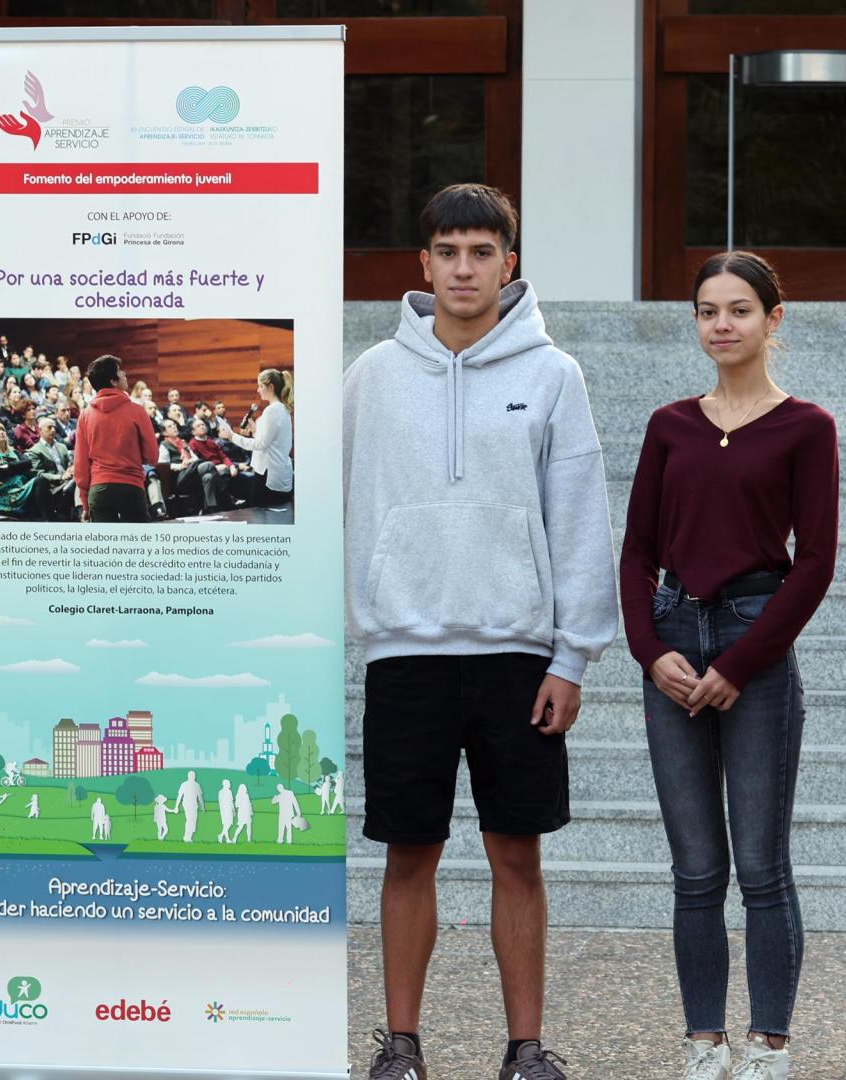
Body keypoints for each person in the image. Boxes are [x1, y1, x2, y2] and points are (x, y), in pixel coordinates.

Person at [344, 183, 618, 1080]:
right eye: (449, 252)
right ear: (422, 265)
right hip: (405, 653)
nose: (465, 268)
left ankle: (526, 1047)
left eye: (482, 252)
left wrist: (572, 655)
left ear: (511, 264)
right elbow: (339, 512)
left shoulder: (554, 375)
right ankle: (402, 1043)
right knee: (408, 854)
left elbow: (579, 519)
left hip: (517, 657)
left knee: (516, 854)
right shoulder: (371, 377)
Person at [620, 252, 838, 1080]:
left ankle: (768, 1043)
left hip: (757, 639)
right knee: (695, 869)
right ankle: (703, 1041)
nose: (722, 324)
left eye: (740, 309)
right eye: (708, 310)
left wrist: (743, 663)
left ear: (773, 319)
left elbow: (815, 561)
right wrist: (650, 652)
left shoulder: (806, 426)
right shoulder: (669, 424)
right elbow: (638, 551)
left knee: (759, 863)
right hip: (674, 637)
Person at [72, 354, 158, 523]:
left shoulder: (85, 415)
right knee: (138, 547)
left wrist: (85, 503)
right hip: (131, 488)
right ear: (113, 381)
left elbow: (80, 465)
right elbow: (152, 457)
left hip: (99, 490)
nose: (125, 374)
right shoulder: (137, 410)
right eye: (120, 372)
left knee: (107, 549)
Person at [220, 369, 294, 509]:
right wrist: (255, 430)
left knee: (263, 515)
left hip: (268, 472)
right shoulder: (282, 409)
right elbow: (270, 441)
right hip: (276, 469)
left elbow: (260, 445)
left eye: (260, 386)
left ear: (271, 387)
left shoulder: (272, 410)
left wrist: (232, 436)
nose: (258, 390)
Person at [26, 416, 76, 519]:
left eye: (54, 427)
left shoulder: (62, 446)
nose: (53, 430)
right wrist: (60, 477)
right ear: (40, 430)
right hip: (53, 486)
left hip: (69, 479)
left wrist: (71, 468)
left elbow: (70, 462)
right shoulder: (34, 451)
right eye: (49, 427)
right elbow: (38, 474)